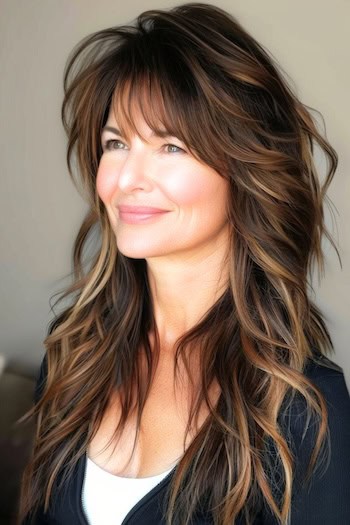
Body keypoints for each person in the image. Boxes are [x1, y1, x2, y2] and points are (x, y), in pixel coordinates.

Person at [17, 2, 350, 524]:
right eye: (116, 143)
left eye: (170, 146)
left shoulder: (302, 404)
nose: (128, 178)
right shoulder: (74, 355)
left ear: (242, 168)